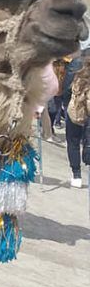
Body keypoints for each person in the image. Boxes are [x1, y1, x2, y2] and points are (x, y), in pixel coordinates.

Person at [65, 50, 90, 187]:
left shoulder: (76, 64)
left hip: (77, 109)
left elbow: (67, 89)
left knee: (73, 142)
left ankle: (77, 175)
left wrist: (66, 105)